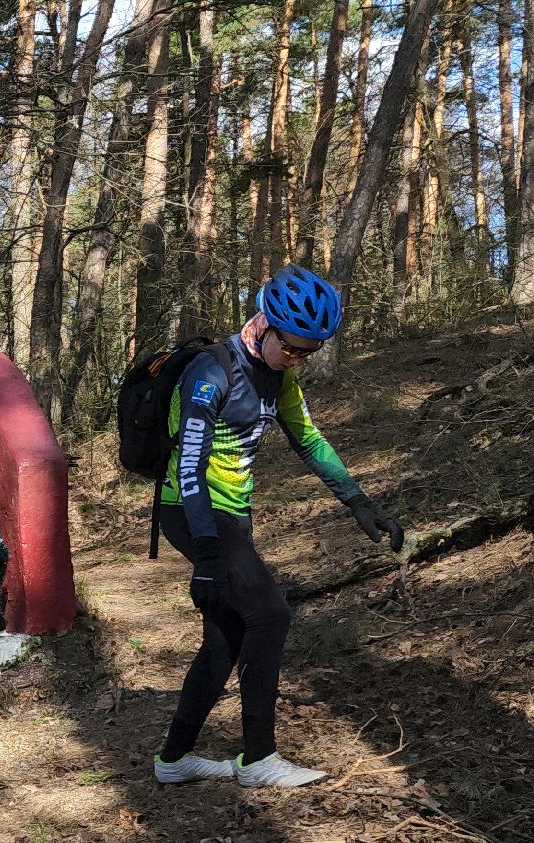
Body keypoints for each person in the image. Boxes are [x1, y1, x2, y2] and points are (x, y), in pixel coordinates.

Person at [155, 265, 403, 789]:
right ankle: (259, 758)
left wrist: (360, 502)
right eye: (291, 348)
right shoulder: (210, 373)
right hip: (193, 510)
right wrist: (206, 554)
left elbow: (309, 441)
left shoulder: (280, 378)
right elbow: (189, 468)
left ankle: (173, 759)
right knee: (269, 613)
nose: (297, 359)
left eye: (307, 353)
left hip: (233, 515)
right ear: (265, 326)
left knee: (226, 636)